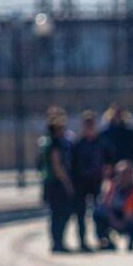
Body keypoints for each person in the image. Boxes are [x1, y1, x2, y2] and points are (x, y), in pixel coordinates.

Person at [38, 108, 74, 254]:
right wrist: (68, 184)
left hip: (49, 182)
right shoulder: (55, 144)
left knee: (55, 214)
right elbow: (57, 166)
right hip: (57, 184)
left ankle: (57, 241)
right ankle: (58, 242)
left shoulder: (45, 141)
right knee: (61, 213)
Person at [70, 111, 105, 252]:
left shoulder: (101, 142)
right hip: (81, 183)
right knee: (81, 214)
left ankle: (101, 238)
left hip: (97, 182)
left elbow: (108, 160)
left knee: (99, 212)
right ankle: (82, 241)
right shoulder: (78, 144)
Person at [94, 161, 133, 251]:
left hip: (130, 220)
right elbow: (105, 206)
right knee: (97, 213)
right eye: (121, 174)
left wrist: (126, 221)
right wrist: (113, 220)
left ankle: (132, 242)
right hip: (114, 217)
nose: (124, 177)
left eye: (127, 173)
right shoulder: (111, 189)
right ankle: (105, 241)